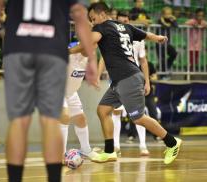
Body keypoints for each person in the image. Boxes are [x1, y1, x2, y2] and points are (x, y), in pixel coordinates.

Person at [0, 1, 97, 182]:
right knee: (51, 120)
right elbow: (79, 14)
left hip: (18, 50)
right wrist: (93, 61)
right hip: (52, 51)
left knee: (19, 121)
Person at [70, 2, 182, 164]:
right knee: (103, 110)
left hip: (127, 78)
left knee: (138, 118)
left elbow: (88, 43)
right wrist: (158, 38)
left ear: (102, 14)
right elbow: (146, 35)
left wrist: (68, 51)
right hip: (120, 79)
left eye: (93, 19)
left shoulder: (102, 28)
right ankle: (109, 151)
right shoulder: (124, 27)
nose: (93, 23)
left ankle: (172, 142)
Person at [112, 10, 150, 156]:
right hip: (116, 78)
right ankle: (116, 145)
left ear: (129, 22)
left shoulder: (138, 39)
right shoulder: (112, 37)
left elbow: (143, 61)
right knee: (116, 111)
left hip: (133, 78)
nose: (123, 24)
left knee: (138, 113)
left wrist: (147, 82)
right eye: (120, 22)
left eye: (126, 22)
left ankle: (143, 145)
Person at [60, 42, 98, 160]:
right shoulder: (70, 52)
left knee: (81, 119)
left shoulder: (90, 57)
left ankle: (86, 150)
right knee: (65, 117)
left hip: (72, 92)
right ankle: (60, 155)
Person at [156, 6, 178, 74]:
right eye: (166, 14)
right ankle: (163, 75)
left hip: (167, 43)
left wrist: (173, 19)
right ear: (163, 14)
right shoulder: (160, 20)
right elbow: (164, 25)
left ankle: (167, 66)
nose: (168, 15)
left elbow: (176, 26)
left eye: (170, 14)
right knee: (162, 59)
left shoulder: (170, 20)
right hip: (159, 43)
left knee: (174, 53)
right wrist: (170, 21)